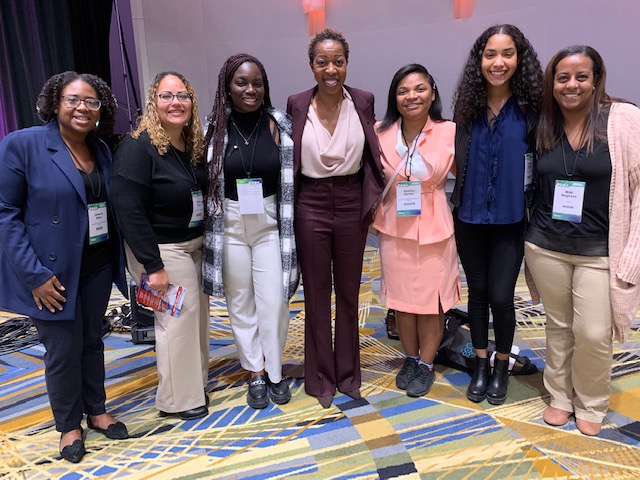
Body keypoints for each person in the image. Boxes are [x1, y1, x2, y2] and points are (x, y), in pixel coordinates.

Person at [0, 72, 128, 463]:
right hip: (50, 272)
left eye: (91, 102)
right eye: (73, 100)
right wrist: (34, 275)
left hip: (96, 265)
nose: (82, 108)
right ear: (54, 103)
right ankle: (68, 425)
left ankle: (97, 410)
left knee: (92, 339)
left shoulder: (101, 149)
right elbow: (5, 215)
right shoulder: (23, 145)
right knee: (61, 349)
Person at [525, 46, 640, 436]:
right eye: (562, 77)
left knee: (592, 332)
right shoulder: (544, 123)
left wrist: (633, 255)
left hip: (599, 250)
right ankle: (559, 395)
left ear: (596, 79)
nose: (571, 85)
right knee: (558, 327)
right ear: (552, 83)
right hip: (545, 244)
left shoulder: (623, 119)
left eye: (581, 77)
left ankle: (590, 400)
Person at [287, 28, 384, 408]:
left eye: (338, 61)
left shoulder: (363, 100)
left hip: (349, 201)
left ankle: (348, 375)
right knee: (315, 293)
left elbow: (373, 152)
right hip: (309, 202)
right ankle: (321, 378)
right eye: (322, 61)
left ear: (347, 64)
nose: (331, 69)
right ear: (311, 65)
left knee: (348, 292)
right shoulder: (296, 103)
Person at [451, 24, 543, 405]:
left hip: (510, 219)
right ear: (480, 60)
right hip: (469, 217)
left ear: (519, 59)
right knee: (478, 293)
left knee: (503, 296)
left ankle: (503, 365)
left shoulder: (531, 110)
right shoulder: (466, 109)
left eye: (507, 53)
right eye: (490, 54)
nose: (498, 62)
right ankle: (482, 365)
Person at [111, 71, 210, 420]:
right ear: (153, 102)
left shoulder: (189, 143)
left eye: (182, 95)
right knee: (176, 321)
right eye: (166, 96)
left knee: (195, 319)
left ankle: (193, 385)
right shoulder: (138, 147)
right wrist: (152, 266)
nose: (175, 103)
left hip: (191, 245)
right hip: (160, 251)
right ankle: (176, 400)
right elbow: (128, 209)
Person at [202, 54, 299, 409]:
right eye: (241, 82)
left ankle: (276, 371)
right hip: (228, 222)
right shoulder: (214, 128)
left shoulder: (279, 124)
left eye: (257, 83)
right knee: (240, 301)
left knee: (274, 301)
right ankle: (255, 371)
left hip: (269, 222)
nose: (250, 89)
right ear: (227, 86)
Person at [372, 64, 460, 397]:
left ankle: (426, 363)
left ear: (432, 92)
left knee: (431, 302)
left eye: (420, 88)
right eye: (404, 90)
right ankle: (410, 357)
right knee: (402, 301)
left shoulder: (449, 131)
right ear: (394, 97)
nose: (412, 96)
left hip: (436, 225)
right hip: (395, 226)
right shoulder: (380, 132)